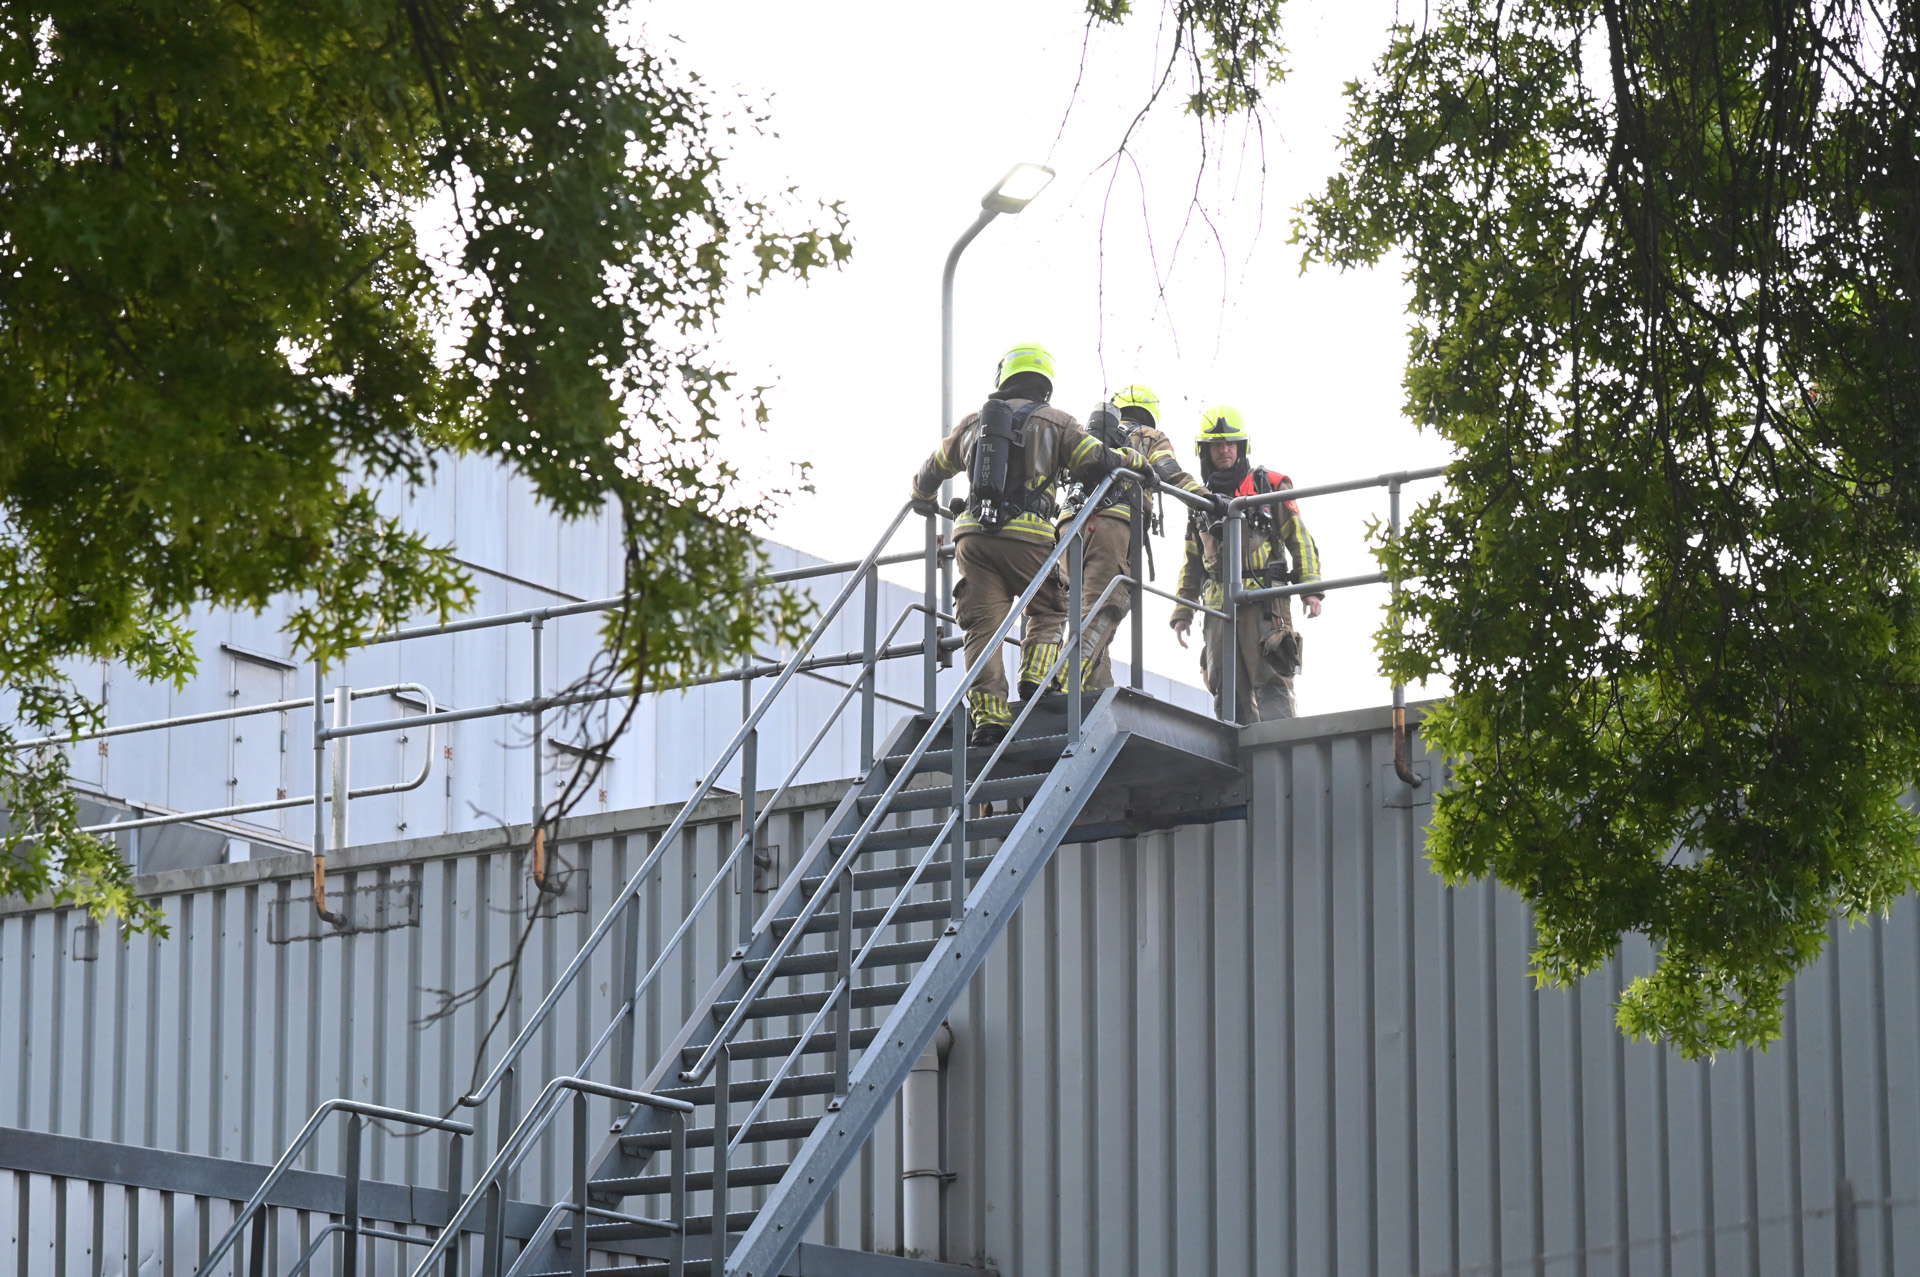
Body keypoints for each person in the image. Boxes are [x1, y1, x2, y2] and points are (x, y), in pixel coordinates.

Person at [910, 343, 1144, 747]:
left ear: (1004, 377)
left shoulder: (970, 424)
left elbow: (929, 472)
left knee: (982, 629)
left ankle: (989, 720)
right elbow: (1097, 459)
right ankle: (1036, 678)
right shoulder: (1057, 421)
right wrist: (1135, 463)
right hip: (1028, 537)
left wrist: (925, 502)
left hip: (971, 539)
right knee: (1052, 604)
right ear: (1045, 384)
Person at [1169, 406, 1323, 723]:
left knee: (1272, 685)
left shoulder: (1270, 485)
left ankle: (1280, 758)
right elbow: (1192, 561)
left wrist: (1312, 588)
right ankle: (1240, 766)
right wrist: (1183, 610)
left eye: (1231, 443)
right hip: (1219, 609)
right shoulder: (1199, 500)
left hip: (1266, 605)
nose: (1224, 450)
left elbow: (1300, 539)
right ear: (1205, 451)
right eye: (1216, 445)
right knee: (1226, 695)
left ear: (1241, 447)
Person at [1056, 383, 1209, 691]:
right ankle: (1061, 680)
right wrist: (1208, 500)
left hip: (1067, 527)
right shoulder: (1149, 437)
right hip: (1112, 527)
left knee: (1081, 613)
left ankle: (1094, 688)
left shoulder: (1085, 436)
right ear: (1150, 414)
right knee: (1105, 607)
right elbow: (1170, 473)